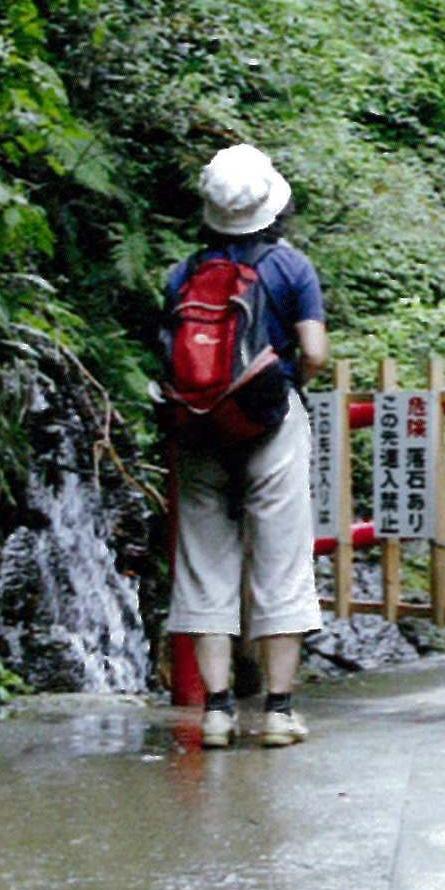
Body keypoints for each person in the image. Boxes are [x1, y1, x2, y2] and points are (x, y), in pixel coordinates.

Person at [162, 141, 329, 747]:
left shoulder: (183, 273)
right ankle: (279, 712)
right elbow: (312, 352)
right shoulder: (291, 268)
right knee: (281, 559)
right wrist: (282, 387)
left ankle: (216, 711)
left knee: (205, 564)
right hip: (270, 423)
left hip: (200, 428)